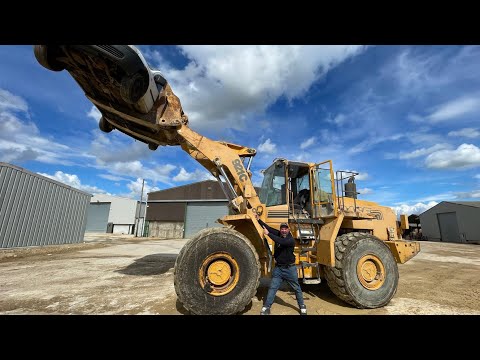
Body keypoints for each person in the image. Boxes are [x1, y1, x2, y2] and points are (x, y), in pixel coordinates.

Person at [255, 213, 307, 315]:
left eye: (285, 229)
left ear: (288, 230)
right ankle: (266, 307)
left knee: (296, 288)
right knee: (273, 287)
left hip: (290, 269)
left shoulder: (290, 240)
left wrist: (268, 234)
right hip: (278, 269)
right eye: (282, 229)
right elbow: (268, 228)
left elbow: (280, 241)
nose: (283, 230)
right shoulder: (279, 234)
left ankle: (302, 306)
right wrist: (258, 220)